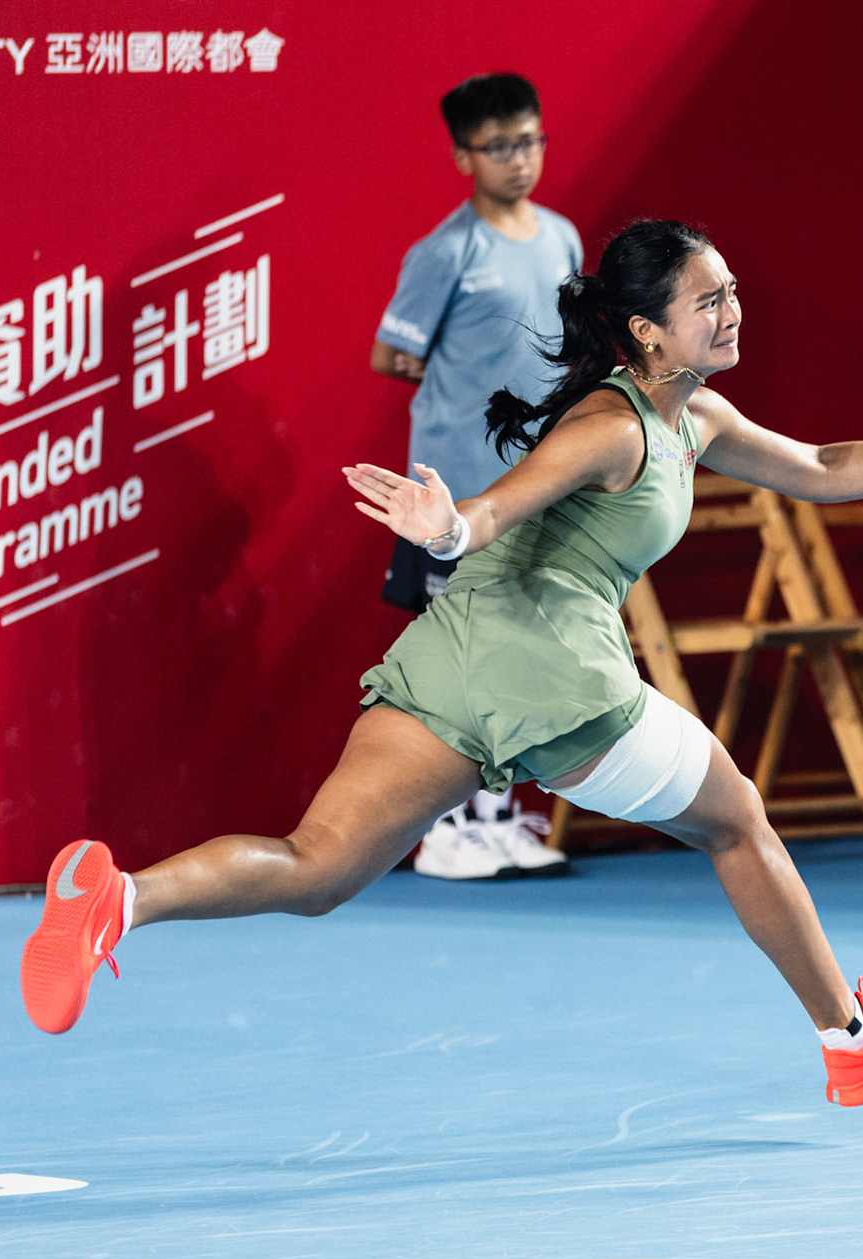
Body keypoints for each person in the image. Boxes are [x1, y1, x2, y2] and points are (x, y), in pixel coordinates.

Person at [20, 220, 863, 1106]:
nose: (734, 310)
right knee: (737, 820)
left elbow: (822, 470)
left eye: (733, 291)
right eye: (709, 299)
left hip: (455, 655)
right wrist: (447, 522)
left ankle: (122, 897)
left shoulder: (692, 415)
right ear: (648, 329)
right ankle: (852, 1039)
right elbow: (498, 505)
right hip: (552, 673)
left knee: (319, 865)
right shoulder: (611, 425)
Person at [370, 71, 582, 880]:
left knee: (519, 652)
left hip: (533, 486)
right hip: (452, 494)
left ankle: (493, 819)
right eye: (499, 148)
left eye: (529, 140)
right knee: (456, 661)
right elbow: (393, 353)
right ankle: (444, 831)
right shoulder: (444, 251)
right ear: (465, 156)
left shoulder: (561, 238)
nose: (519, 160)